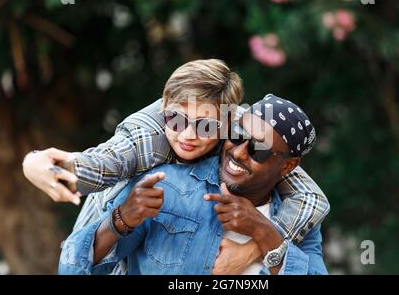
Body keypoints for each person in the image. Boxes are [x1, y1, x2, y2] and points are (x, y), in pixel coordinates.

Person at [23, 59, 329, 252]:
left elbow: (312, 199)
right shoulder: (148, 135)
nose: (187, 135)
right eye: (176, 120)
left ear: (227, 121)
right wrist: (36, 163)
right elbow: (98, 166)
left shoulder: (244, 131)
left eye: (206, 126)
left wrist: (257, 246)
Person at [58, 95, 327, 275]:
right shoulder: (166, 185)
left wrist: (262, 232)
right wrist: (120, 220)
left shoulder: (297, 223)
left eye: (259, 150)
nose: (239, 152)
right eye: (236, 135)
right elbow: (72, 266)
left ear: (288, 165)